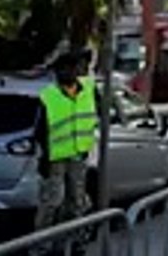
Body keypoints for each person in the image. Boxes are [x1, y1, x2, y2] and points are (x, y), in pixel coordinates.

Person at [32, 50, 100, 239]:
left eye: (71, 68)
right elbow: (40, 130)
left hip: (78, 154)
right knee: (52, 202)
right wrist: (44, 158)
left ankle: (75, 243)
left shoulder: (88, 90)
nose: (67, 73)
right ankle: (41, 247)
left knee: (76, 202)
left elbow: (94, 116)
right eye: (62, 70)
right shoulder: (49, 96)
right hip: (55, 158)